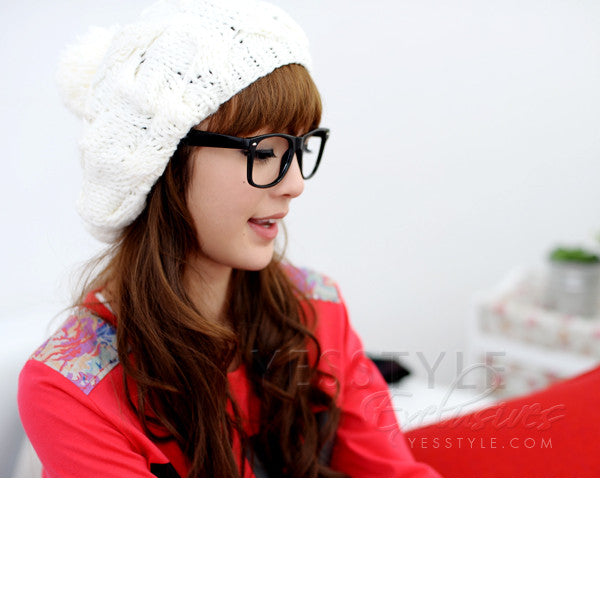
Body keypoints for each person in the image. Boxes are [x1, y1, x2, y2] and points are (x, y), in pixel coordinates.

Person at [17, 0, 439, 477]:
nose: (295, 183)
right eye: (264, 151)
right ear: (163, 162)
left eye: (300, 148)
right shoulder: (73, 388)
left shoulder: (316, 310)